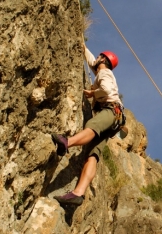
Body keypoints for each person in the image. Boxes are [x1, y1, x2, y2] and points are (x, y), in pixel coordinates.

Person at [51, 45, 126, 205]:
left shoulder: (105, 73)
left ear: (104, 60)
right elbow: (92, 61)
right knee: (92, 154)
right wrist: (83, 46)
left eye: (100, 56)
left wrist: (93, 93)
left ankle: (67, 143)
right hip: (116, 119)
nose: (96, 58)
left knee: (93, 124)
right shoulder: (103, 71)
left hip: (111, 110)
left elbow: (105, 91)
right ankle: (78, 193)